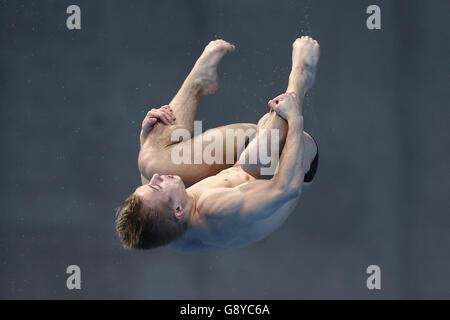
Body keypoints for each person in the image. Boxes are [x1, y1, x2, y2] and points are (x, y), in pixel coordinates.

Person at [115, 36, 320, 253]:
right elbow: (287, 189)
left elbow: (152, 194)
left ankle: (199, 82)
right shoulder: (217, 210)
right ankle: (300, 78)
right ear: (177, 210)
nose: (156, 180)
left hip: (243, 159)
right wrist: (295, 115)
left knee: (150, 162)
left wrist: (148, 138)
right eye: (156, 186)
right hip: (290, 164)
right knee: (255, 159)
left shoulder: (167, 227)